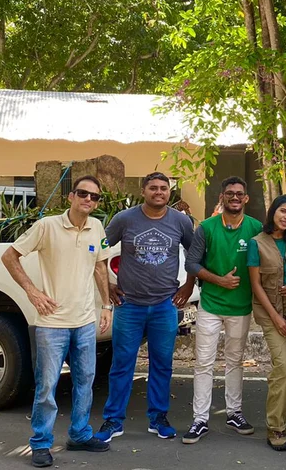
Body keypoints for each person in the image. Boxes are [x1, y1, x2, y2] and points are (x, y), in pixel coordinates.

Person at [1, 176, 113, 468]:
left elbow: (100, 267)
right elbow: (10, 256)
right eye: (83, 194)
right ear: (71, 197)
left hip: (85, 321)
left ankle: (79, 434)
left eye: (95, 197)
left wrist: (107, 305)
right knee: (47, 386)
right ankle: (40, 443)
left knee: (85, 382)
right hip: (52, 323)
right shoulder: (47, 226)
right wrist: (32, 291)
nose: (89, 200)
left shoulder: (96, 227)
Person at [93, 172, 194, 443]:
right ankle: (114, 420)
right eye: (153, 188)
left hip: (164, 306)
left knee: (162, 365)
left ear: (169, 192)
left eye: (164, 188)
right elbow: (100, 252)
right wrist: (109, 286)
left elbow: (195, 255)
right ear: (143, 190)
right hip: (129, 306)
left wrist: (188, 286)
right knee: (121, 364)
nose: (158, 192)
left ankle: (158, 418)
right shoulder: (124, 219)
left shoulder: (181, 221)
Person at [183, 176, 263, 443]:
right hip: (211, 306)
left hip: (240, 308)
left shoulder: (256, 228)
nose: (235, 197)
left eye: (240, 193)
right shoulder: (206, 228)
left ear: (246, 198)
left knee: (235, 362)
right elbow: (192, 264)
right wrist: (219, 280)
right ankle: (200, 419)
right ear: (222, 197)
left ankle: (234, 412)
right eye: (230, 193)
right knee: (204, 363)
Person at [248, 195, 286, 451]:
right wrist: (275, 317)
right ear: (273, 212)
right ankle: (274, 427)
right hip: (271, 313)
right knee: (282, 366)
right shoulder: (257, 243)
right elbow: (256, 285)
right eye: (282, 211)